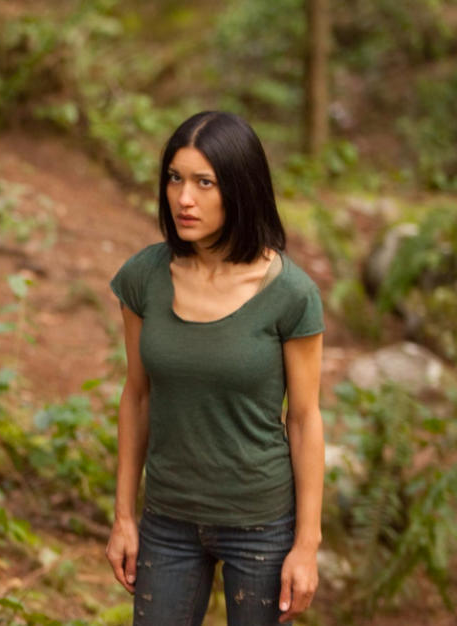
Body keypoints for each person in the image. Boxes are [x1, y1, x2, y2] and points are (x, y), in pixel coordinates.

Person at [104, 111, 324, 626]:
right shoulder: (144, 277)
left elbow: (305, 419)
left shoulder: (290, 294)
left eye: (205, 182)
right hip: (168, 521)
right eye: (175, 178)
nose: (184, 198)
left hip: (262, 525)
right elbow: (137, 396)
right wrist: (123, 517)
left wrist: (307, 545)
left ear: (241, 189)